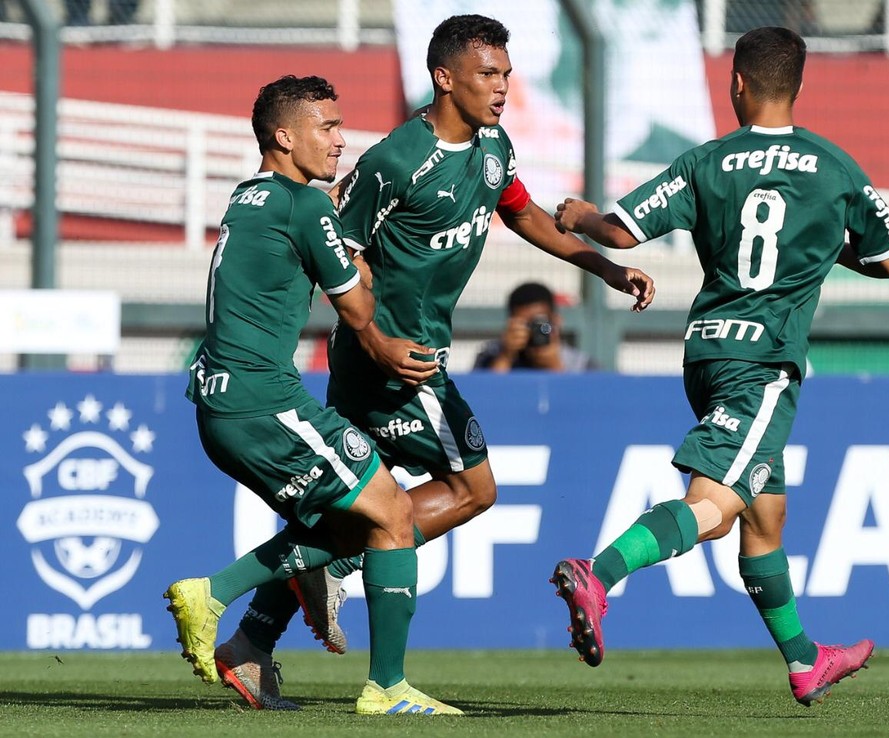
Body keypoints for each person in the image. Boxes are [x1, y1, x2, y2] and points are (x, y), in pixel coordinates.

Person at [213, 13, 655, 709]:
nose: (503, 87)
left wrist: (602, 268)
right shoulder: (394, 161)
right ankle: (352, 612)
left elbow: (526, 214)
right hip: (396, 360)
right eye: (488, 74)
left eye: (506, 74)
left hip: (404, 354)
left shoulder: (492, 147)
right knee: (473, 489)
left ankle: (255, 639)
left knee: (371, 506)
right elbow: (337, 246)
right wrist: (377, 337)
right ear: (444, 78)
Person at [549, 26, 889, 708]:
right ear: (796, 86)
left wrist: (583, 215)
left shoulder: (706, 162)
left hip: (708, 348)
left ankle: (805, 659)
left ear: (736, 82)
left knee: (764, 515)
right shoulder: (835, 168)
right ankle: (600, 572)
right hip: (765, 362)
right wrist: (829, 245)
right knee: (715, 504)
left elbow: (621, 230)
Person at [163, 74, 462, 716]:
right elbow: (356, 309)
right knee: (394, 513)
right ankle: (383, 686)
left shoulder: (250, 198)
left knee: (352, 520)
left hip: (221, 403)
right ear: (284, 135)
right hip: (264, 401)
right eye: (326, 127)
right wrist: (369, 265)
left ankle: (246, 632)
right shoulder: (306, 206)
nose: (339, 138)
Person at [473, 281, 597, 372]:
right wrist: (505, 357)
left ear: (556, 322)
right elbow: (484, 396)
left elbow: (581, 402)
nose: (534, 332)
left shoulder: (581, 365)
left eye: (541, 324)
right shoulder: (491, 355)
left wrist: (555, 366)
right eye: (526, 325)